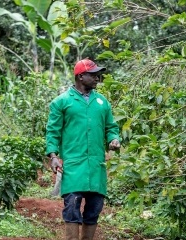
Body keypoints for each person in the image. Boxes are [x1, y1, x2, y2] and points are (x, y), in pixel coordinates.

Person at [45, 58, 121, 240]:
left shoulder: (102, 102)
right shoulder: (62, 102)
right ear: (80, 76)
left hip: (96, 165)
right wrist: (53, 156)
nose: (98, 78)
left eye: (98, 74)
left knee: (94, 209)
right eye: (93, 75)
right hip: (73, 165)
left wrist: (114, 139)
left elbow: (111, 127)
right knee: (71, 207)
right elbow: (52, 131)